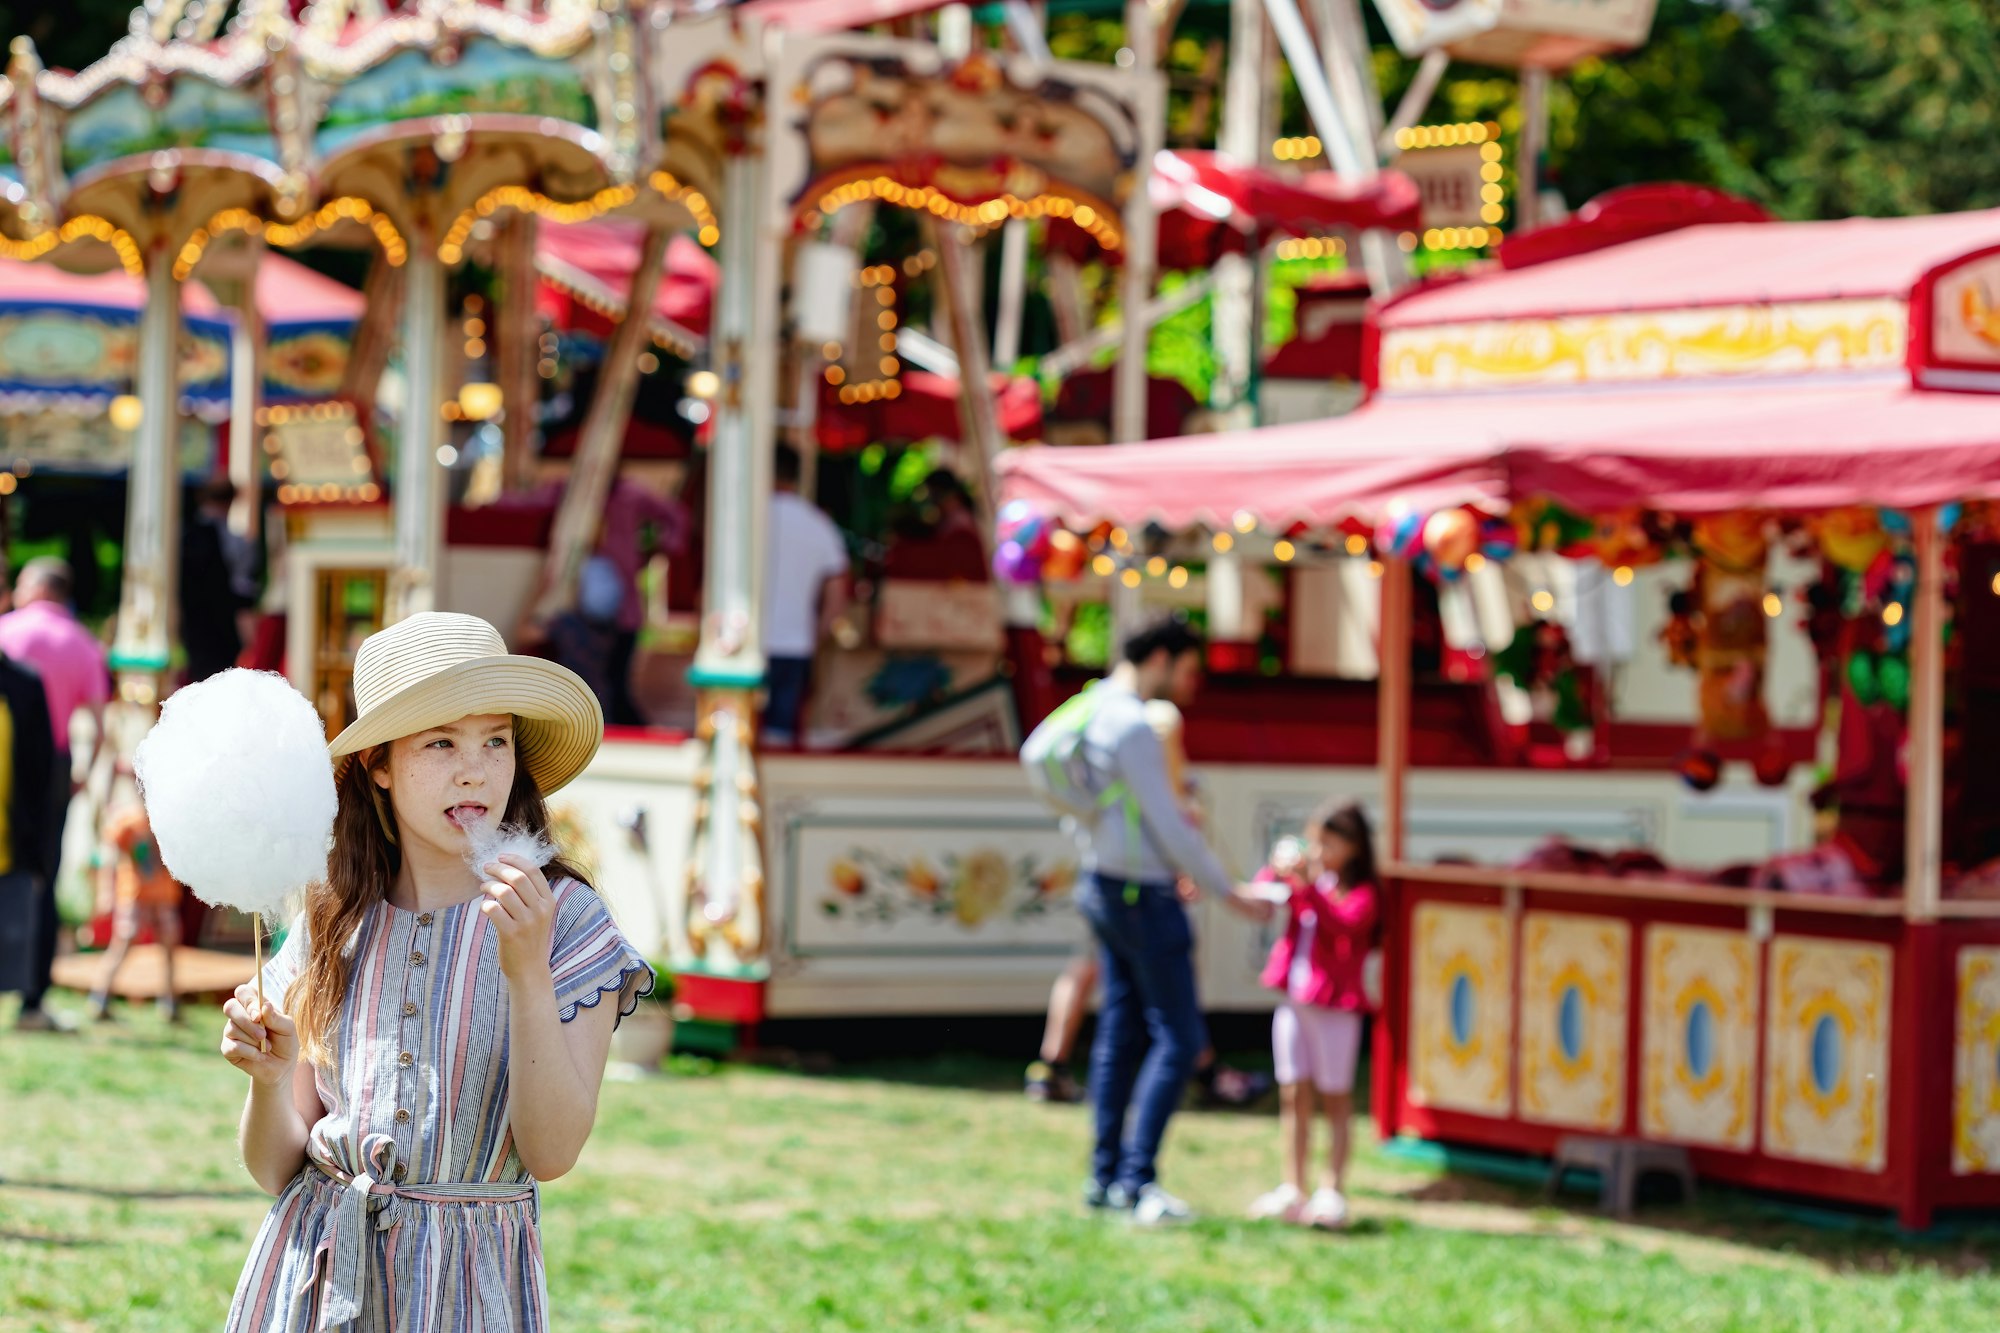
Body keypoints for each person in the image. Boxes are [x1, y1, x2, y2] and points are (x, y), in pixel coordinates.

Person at [217, 612, 653, 1328]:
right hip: (314, 1275)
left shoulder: (566, 921)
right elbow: (273, 1169)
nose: (474, 766)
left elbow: (552, 1151)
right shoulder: (332, 914)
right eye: (441, 741)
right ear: (379, 764)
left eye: (495, 739)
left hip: (468, 1288)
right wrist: (268, 1082)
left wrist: (527, 975)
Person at [1020, 616, 1252, 1226]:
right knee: (1179, 1038)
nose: (1191, 682)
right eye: (1189, 668)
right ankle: (1138, 1181)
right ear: (1163, 659)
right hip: (1141, 894)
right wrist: (1228, 891)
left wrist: (1081, 814)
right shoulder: (1133, 724)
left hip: (1103, 884)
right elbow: (1170, 823)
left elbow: (1034, 753)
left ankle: (1105, 1178)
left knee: (1121, 1034)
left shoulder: (1092, 707)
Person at [1238, 800, 1381, 1229]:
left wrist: (1305, 885)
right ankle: (1293, 1187)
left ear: (1353, 847)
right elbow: (1264, 892)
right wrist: (1278, 868)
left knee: (1335, 1098)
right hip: (1295, 1003)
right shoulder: (1314, 881)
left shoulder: (1362, 891)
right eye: (1316, 842)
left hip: (1336, 1008)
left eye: (1329, 843)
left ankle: (1331, 1190)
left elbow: (1344, 925)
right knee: (1293, 1094)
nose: (1319, 851)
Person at [0, 557, 110, 1031]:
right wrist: (80, 776)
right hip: (50, 769)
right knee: (43, 872)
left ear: (32, 589)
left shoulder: (7, 630)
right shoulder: (83, 643)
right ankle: (32, 999)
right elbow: (99, 723)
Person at [763, 445, 849, 746]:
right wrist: (820, 632)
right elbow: (837, 590)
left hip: (746, 641)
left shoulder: (745, 519)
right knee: (781, 731)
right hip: (795, 643)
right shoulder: (818, 524)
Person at [592, 466, 689, 727]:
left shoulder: (631, 495)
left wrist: (661, 546)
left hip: (621, 606)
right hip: (591, 608)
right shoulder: (578, 493)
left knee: (615, 677)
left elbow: (675, 516)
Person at [87, 776, 183, 1023]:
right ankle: (100, 998)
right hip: (134, 894)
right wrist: (106, 893)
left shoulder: (169, 822)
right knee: (123, 943)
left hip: (163, 895)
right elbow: (109, 861)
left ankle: (170, 1003)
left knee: (170, 946)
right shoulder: (128, 822)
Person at [0, 649, 54, 1006]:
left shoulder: (23, 682)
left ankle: (32, 1003)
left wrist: (35, 854)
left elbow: (39, 777)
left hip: (10, 852)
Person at [180, 476, 260, 682]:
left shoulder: (187, 535)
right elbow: (242, 586)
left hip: (196, 623)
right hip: (220, 625)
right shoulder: (230, 540)